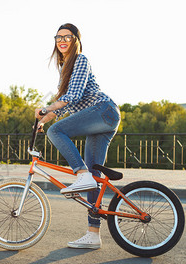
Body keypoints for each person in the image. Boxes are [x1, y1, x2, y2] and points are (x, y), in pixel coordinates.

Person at [35, 23, 121, 249]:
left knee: (58, 131)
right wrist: (41, 121)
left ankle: (80, 173)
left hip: (104, 111)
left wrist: (46, 110)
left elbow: (72, 96)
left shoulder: (81, 60)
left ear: (76, 40)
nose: (62, 40)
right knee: (94, 177)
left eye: (67, 37)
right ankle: (93, 234)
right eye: (58, 37)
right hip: (100, 119)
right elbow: (62, 107)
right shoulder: (65, 69)